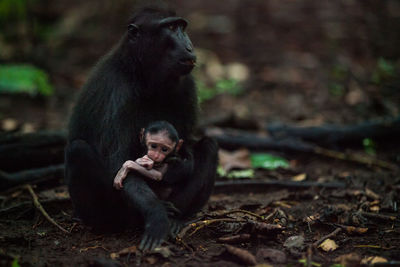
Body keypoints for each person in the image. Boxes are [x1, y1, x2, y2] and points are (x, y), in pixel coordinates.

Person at [113, 121, 183, 190]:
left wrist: (130, 165)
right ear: (142, 136)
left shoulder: (171, 160)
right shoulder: (135, 149)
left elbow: (158, 176)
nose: (156, 156)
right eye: (153, 146)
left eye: (164, 149)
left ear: (177, 147)